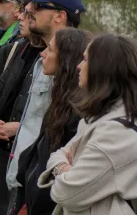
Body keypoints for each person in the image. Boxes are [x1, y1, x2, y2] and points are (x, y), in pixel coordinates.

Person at [39, 34, 137, 214]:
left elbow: (65, 192)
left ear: (103, 69)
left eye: (85, 60)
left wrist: (60, 168)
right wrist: (66, 168)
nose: (79, 66)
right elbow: (59, 154)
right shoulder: (99, 120)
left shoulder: (117, 134)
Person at [6, 0, 86, 199]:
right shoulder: (42, 59)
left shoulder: (78, 67)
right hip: (23, 177)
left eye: (38, 6)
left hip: (46, 187)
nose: (29, 10)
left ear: (59, 16)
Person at [14, 29, 91, 215]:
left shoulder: (77, 112)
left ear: (65, 59)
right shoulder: (61, 101)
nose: (42, 54)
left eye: (49, 49)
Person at [0, 1, 46, 215]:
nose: (20, 18)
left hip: (31, 152)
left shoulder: (53, 59)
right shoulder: (10, 51)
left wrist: (20, 128)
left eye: (27, 14)